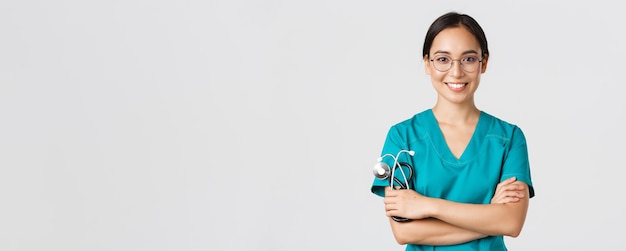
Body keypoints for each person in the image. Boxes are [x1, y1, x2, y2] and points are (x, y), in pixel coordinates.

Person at [370, 11, 535, 250]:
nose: (456, 72)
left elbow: (511, 223)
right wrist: (490, 216)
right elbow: (404, 231)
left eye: (468, 59)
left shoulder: (508, 138)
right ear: (427, 63)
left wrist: (427, 205)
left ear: (484, 63)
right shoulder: (402, 137)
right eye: (443, 59)